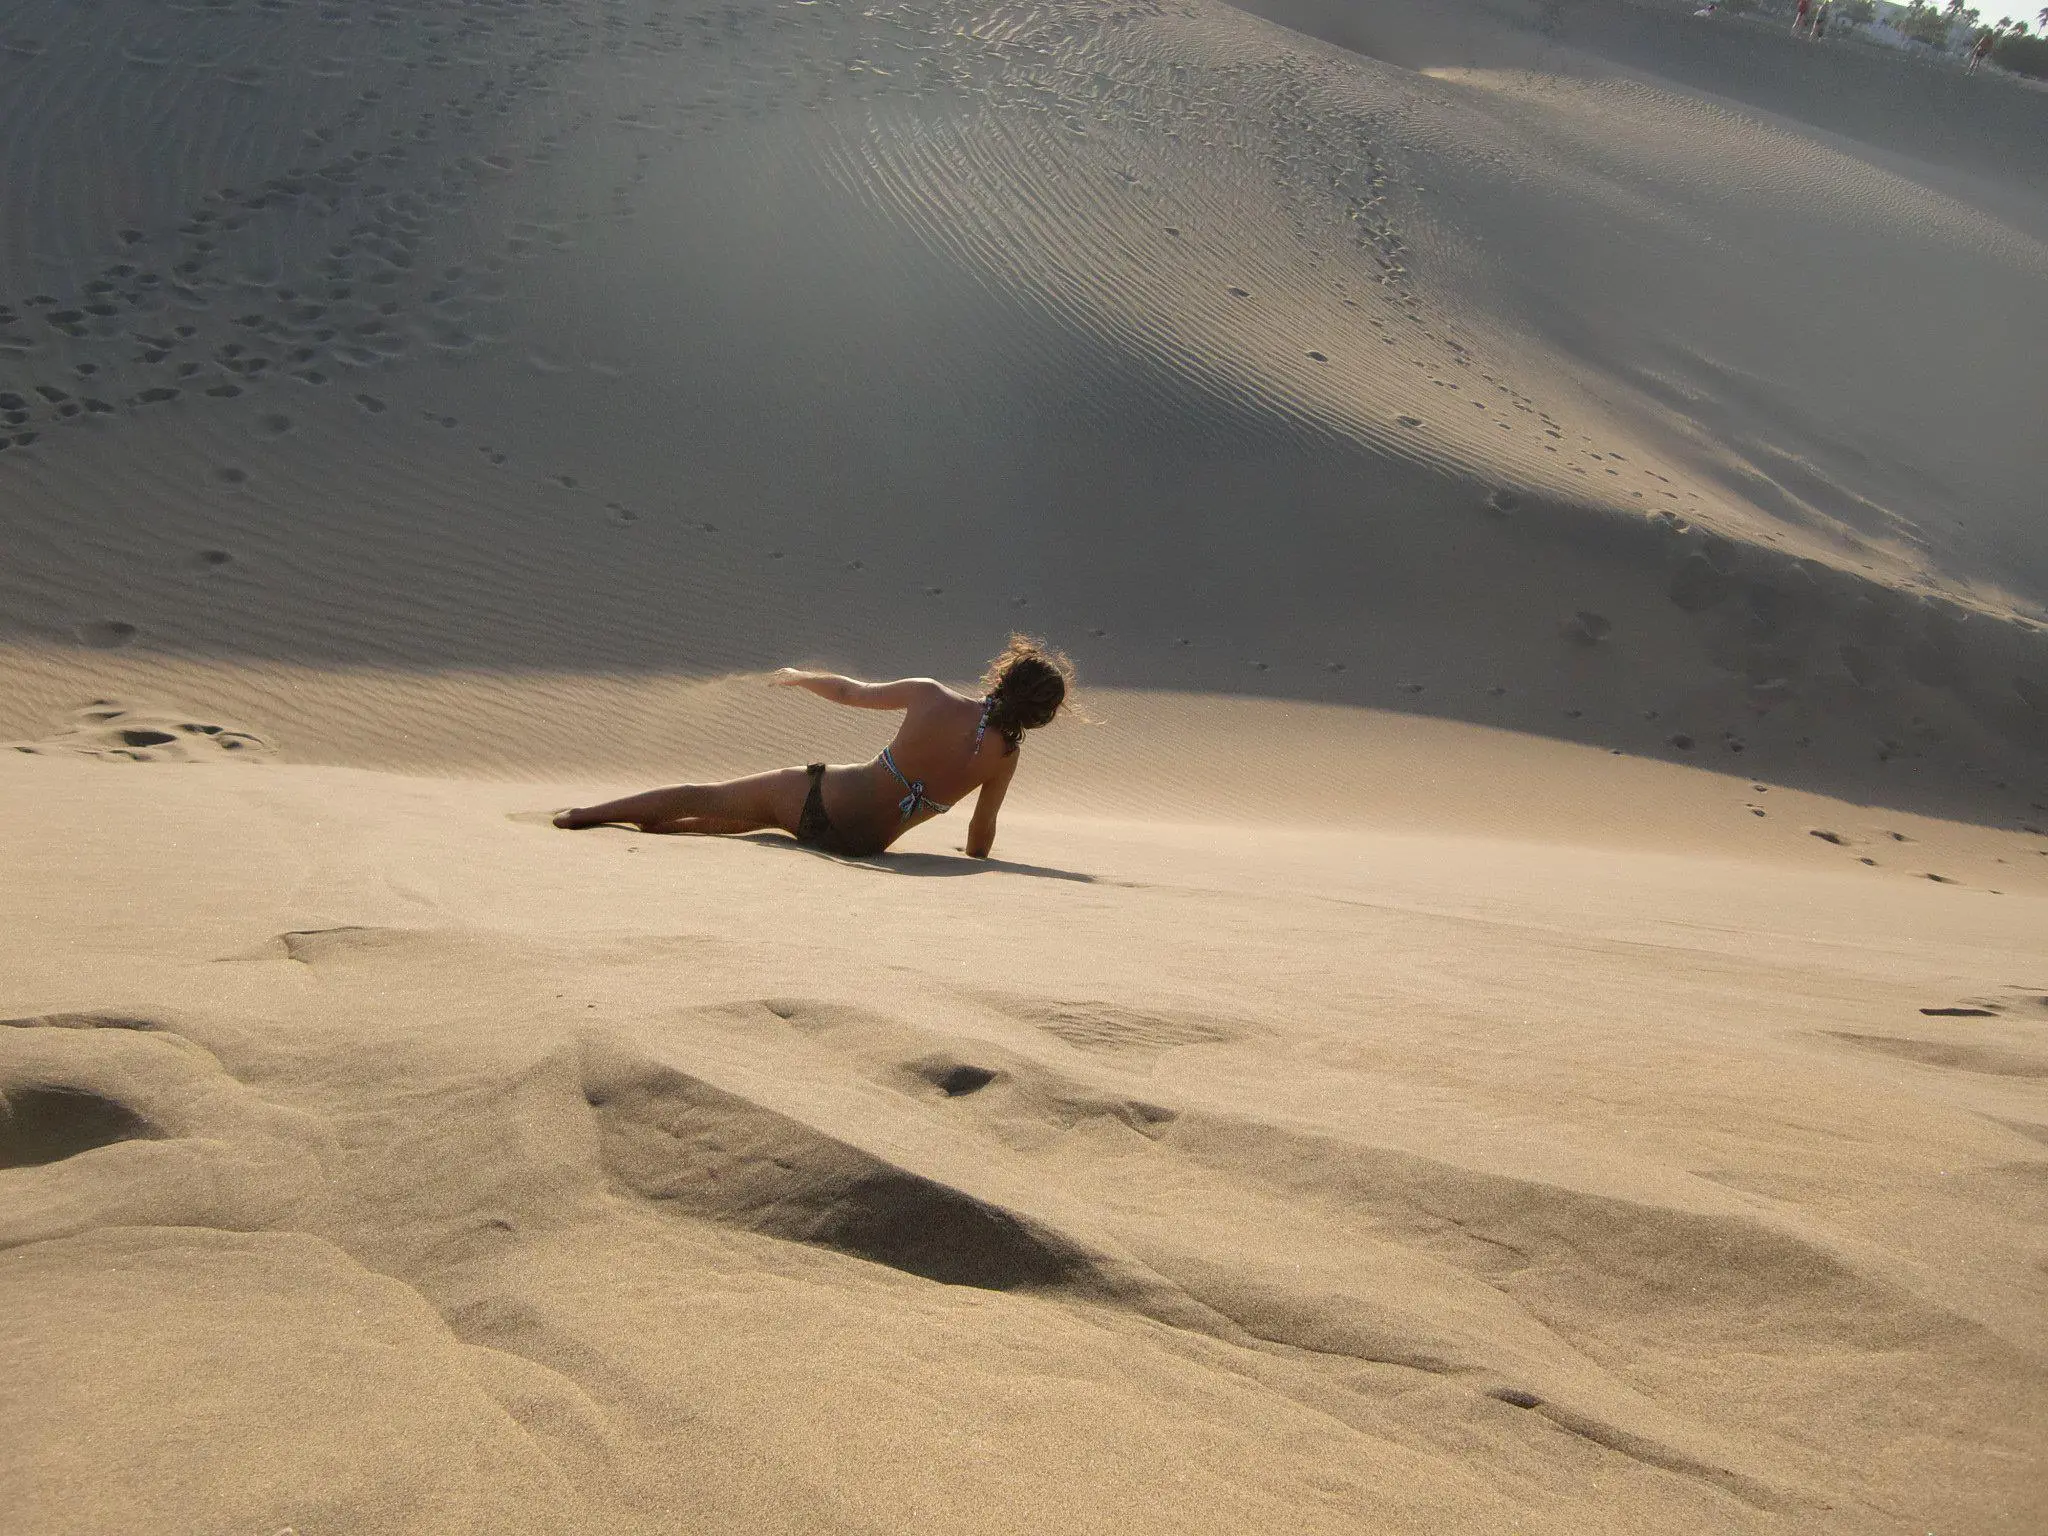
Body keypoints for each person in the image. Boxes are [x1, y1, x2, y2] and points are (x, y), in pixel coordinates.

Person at [552, 635, 1074, 858]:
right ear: (1040, 714)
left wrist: (801, 677)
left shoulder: (930, 695)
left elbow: (850, 692)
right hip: (856, 845)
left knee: (708, 796)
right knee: (741, 821)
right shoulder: (1006, 757)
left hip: (818, 801)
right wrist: (973, 856)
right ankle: (655, 825)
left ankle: (586, 814)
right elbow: (981, 835)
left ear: (1004, 673)